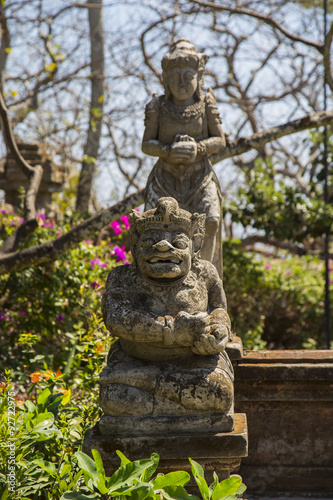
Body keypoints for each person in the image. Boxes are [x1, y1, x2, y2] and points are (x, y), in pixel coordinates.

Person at [100, 197, 234, 422]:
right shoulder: (122, 277)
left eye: (179, 243)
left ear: (196, 245)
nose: (162, 247)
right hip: (136, 359)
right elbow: (116, 318)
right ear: (135, 246)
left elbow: (219, 311)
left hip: (194, 364)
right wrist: (170, 331)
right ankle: (173, 396)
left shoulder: (206, 274)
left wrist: (218, 333)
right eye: (149, 242)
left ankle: (145, 382)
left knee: (220, 394)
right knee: (113, 398)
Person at [142, 39, 226, 277]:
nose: (181, 82)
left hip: (200, 177)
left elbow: (220, 140)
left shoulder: (206, 102)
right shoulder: (157, 106)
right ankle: (157, 279)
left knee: (211, 221)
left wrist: (198, 149)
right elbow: (146, 144)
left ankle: (204, 277)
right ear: (165, 79)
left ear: (199, 78)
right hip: (165, 178)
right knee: (157, 230)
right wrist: (167, 151)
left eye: (187, 75)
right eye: (175, 76)